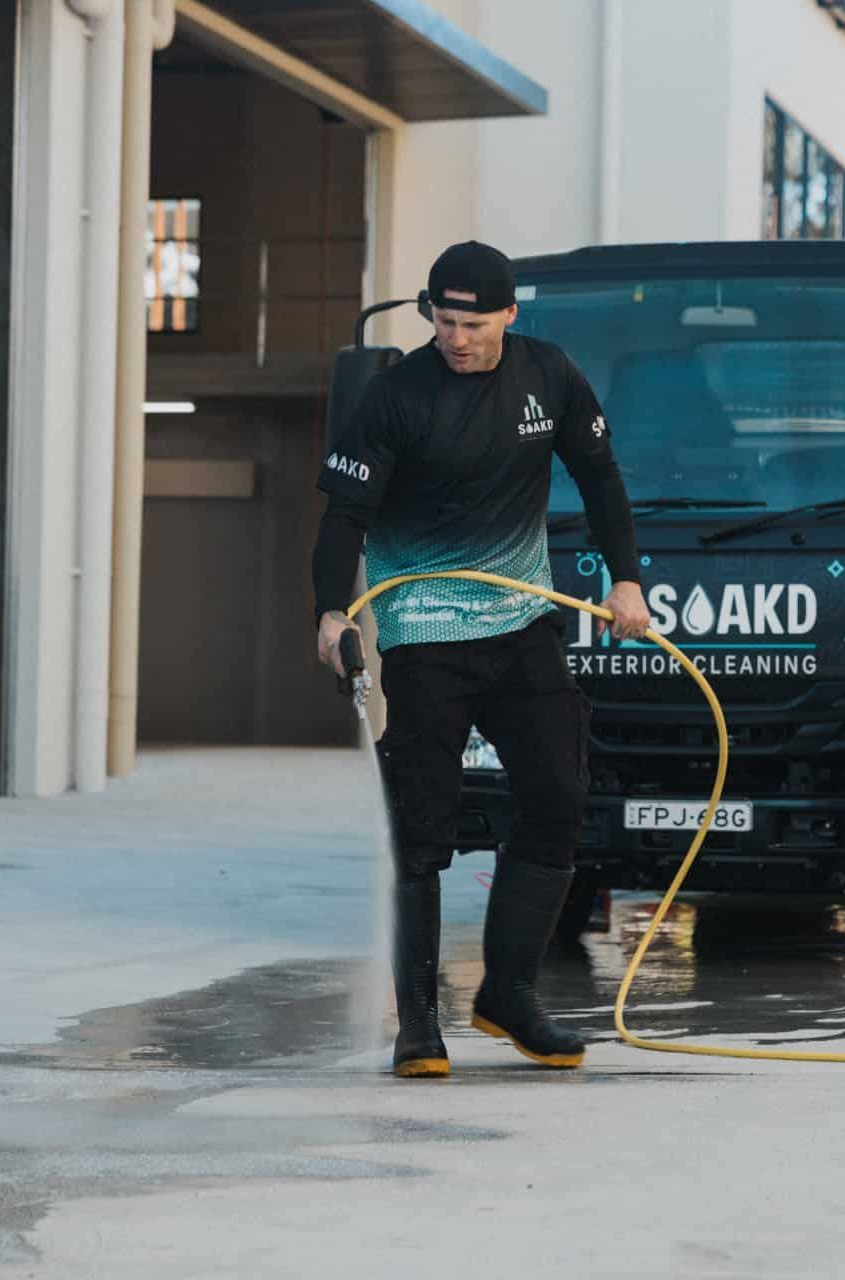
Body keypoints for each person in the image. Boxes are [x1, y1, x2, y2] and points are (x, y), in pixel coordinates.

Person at [311, 241, 650, 1079]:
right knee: (421, 826)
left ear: (510, 315)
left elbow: (601, 478)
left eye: (472, 322)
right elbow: (343, 514)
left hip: (524, 622)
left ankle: (508, 995)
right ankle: (419, 1024)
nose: (456, 338)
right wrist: (328, 608)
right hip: (425, 631)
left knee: (558, 795)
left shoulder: (549, 377)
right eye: (443, 320)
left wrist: (628, 580)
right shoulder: (397, 398)